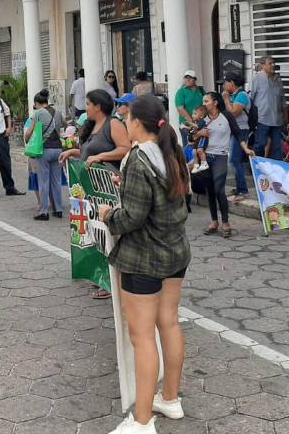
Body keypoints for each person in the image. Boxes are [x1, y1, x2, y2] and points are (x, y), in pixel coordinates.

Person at [98, 96, 191, 434]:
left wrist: (109, 215)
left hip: (144, 257)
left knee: (142, 337)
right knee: (169, 323)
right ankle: (170, 398)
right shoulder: (170, 152)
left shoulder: (139, 158)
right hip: (175, 253)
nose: (125, 123)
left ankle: (141, 421)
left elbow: (133, 218)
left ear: (138, 123)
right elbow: (165, 199)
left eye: (127, 118)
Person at [59, 89, 132, 300]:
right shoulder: (91, 127)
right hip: (90, 191)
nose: (86, 107)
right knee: (94, 232)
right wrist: (73, 153)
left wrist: (102, 156)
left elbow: (125, 148)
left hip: (109, 189)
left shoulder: (113, 124)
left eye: (89, 104)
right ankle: (100, 274)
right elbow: (87, 153)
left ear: (98, 106)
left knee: (110, 234)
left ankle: (113, 281)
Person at [198, 91, 254, 239]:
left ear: (215, 102)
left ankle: (226, 222)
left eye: (206, 101)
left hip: (221, 156)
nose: (204, 104)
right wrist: (199, 133)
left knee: (219, 189)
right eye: (203, 101)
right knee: (210, 190)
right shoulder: (202, 118)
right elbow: (193, 136)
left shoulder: (226, 116)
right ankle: (214, 222)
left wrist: (246, 149)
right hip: (205, 157)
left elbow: (237, 133)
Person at [26, 90, 65, 220]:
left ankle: (44, 212)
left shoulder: (38, 113)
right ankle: (58, 209)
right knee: (57, 181)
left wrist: (27, 140)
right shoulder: (58, 113)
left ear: (37, 103)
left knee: (43, 181)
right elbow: (64, 126)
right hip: (58, 149)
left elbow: (30, 131)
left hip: (45, 150)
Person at [249, 56, 287, 160]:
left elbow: (283, 99)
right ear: (262, 66)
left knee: (277, 148)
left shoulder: (278, 79)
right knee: (260, 145)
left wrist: (285, 116)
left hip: (277, 120)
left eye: (274, 63)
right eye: (270, 63)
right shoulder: (256, 79)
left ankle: (275, 172)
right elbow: (250, 99)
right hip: (262, 119)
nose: (273, 65)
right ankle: (256, 167)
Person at [222, 72, 252, 202]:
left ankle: (243, 190)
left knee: (235, 160)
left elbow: (234, 113)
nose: (224, 85)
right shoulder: (234, 95)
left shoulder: (242, 95)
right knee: (234, 161)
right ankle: (239, 188)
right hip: (234, 130)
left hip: (241, 130)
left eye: (225, 82)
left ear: (232, 83)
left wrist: (226, 99)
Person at [174, 71, 204, 146]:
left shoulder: (200, 90)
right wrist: (191, 121)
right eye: (186, 78)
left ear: (195, 80)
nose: (187, 80)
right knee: (188, 146)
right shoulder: (181, 91)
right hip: (187, 124)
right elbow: (180, 108)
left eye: (190, 78)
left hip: (199, 123)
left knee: (199, 146)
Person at [185, 105, 209, 174]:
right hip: (197, 140)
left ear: (201, 116)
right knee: (194, 152)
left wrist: (189, 123)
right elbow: (192, 131)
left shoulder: (202, 122)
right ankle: (196, 166)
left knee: (199, 150)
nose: (192, 115)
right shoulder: (195, 122)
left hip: (202, 139)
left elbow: (196, 127)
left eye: (195, 114)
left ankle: (204, 163)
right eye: (193, 113)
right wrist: (186, 128)